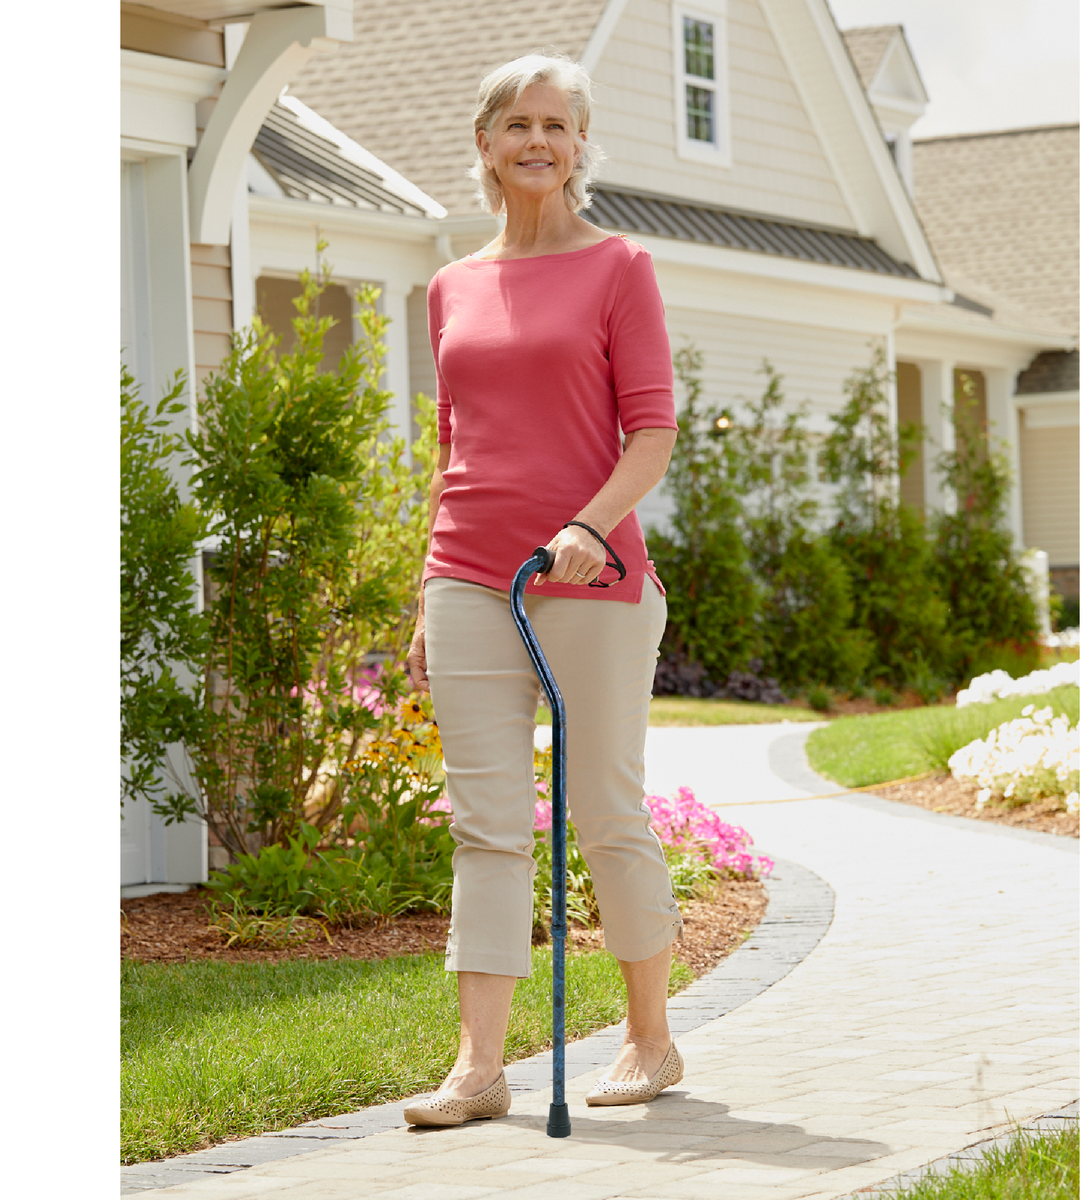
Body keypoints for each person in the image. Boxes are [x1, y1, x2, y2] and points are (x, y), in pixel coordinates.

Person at [401, 52, 684, 1128]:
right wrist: (423, 591)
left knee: (607, 812)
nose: (536, 141)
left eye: (556, 126)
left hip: (590, 578)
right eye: (516, 124)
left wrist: (585, 522)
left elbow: (650, 433)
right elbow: (453, 448)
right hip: (467, 575)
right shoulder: (451, 286)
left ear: (578, 147)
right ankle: (479, 1069)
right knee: (485, 825)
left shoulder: (620, 266)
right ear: (485, 144)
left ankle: (651, 1044)